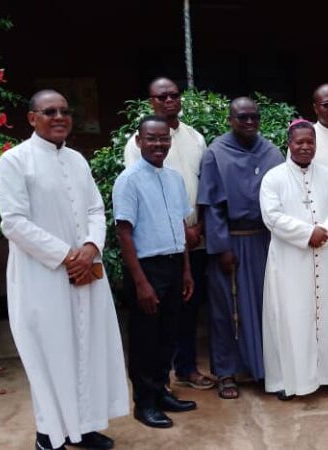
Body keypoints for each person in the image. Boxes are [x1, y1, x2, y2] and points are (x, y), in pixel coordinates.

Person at [0, 90, 128, 450]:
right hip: (43, 276)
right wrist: (68, 255)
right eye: (49, 111)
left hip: (86, 271)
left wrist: (91, 248)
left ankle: (82, 428)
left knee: (87, 349)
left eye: (65, 111)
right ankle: (48, 434)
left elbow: (95, 211)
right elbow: (14, 223)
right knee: (50, 353)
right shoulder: (15, 162)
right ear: (32, 118)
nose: (58, 117)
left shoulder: (78, 160)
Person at [123, 77, 213, 390]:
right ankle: (153, 388)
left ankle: (186, 369)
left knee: (186, 309)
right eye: (161, 96)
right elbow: (141, 196)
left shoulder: (194, 137)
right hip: (158, 245)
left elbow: (204, 184)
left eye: (174, 95)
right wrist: (179, 228)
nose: (169, 100)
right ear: (151, 101)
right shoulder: (138, 141)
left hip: (192, 240)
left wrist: (197, 227)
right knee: (153, 322)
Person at [260, 120, 328, 400]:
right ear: (289, 144)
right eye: (299, 142)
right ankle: (291, 380)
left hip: (325, 255)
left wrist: (324, 231)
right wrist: (306, 234)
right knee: (292, 316)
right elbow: (272, 216)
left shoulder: (327, 175)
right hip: (291, 259)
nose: (305, 147)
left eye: (310, 142)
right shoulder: (273, 178)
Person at [197, 97, 285, 399]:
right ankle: (226, 373)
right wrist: (221, 247)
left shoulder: (272, 151)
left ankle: (263, 368)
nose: (249, 123)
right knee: (227, 309)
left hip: (265, 241)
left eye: (254, 117)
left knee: (265, 306)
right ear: (230, 120)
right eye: (242, 117)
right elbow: (211, 206)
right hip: (230, 241)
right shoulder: (215, 154)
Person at [114, 116, 198, 429]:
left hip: (175, 264)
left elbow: (180, 225)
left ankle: (162, 392)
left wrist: (187, 271)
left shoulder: (174, 178)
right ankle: (144, 402)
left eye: (164, 139)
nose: (159, 144)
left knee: (168, 334)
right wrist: (140, 283)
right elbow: (124, 232)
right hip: (146, 268)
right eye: (151, 139)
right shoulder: (128, 180)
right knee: (145, 338)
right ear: (139, 141)